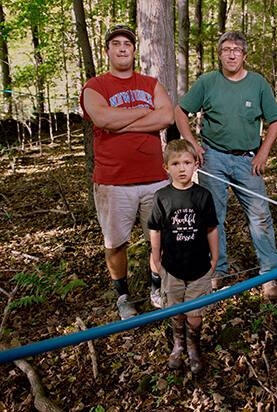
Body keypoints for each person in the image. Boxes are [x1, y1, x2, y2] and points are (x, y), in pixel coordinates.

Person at [175, 31, 277, 299]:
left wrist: (263, 153)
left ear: (244, 55)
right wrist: (192, 144)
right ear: (220, 55)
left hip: (248, 159)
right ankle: (217, 269)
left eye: (236, 49)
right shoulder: (208, 82)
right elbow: (180, 111)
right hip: (213, 157)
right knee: (213, 217)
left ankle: (269, 273)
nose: (232, 53)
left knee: (260, 216)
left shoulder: (258, 83)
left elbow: (276, 120)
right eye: (226, 49)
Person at [80, 24, 174, 320]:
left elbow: (167, 116)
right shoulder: (95, 86)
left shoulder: (150, 83)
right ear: (107, 50)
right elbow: (101, 116)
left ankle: (156, 287)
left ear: (134, 50)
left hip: (155, 179)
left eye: (128, 44)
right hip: (112, 182)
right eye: (116, 44)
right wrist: (145, 115)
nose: (122, 48)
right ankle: (122, 296)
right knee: (115, 242)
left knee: (159, 239)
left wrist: (118, 123)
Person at [148, 139, 218, 374]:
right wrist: (156, 259)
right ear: (166, 167)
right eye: (175, 163)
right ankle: (178, 343)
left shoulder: (203, 196)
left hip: (199, 268)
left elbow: (211, 228)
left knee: (195, 315)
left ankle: (193, 345)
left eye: (187, 162)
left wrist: (215, 258)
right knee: (176, 312)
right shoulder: (161, 197)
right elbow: (155, 228)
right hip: (172, 268)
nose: (181, 168)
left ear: (196, 165)